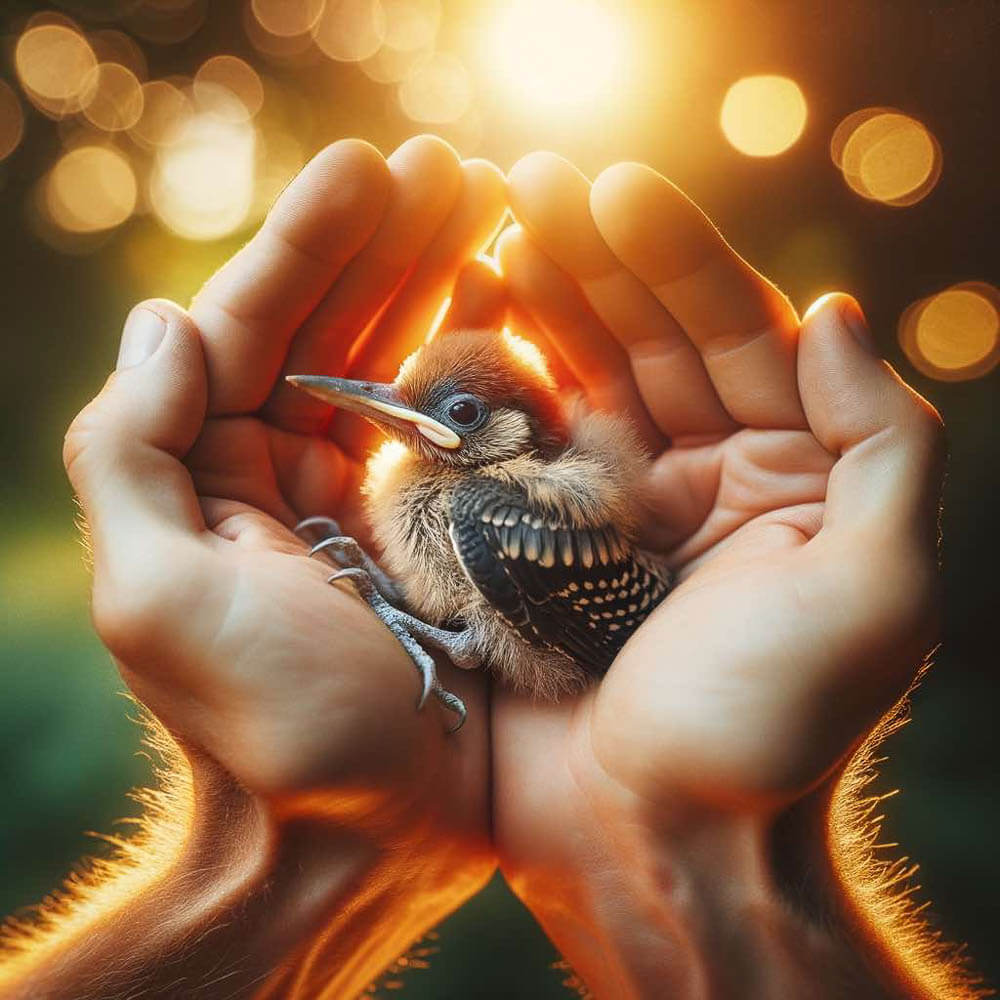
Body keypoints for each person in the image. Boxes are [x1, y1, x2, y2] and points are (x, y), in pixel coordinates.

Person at [0, 135, 980, 999]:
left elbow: (546, 624)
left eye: (459, 412)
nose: (411, 420)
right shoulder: (456, 488)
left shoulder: (490, 505)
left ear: (507, 430)